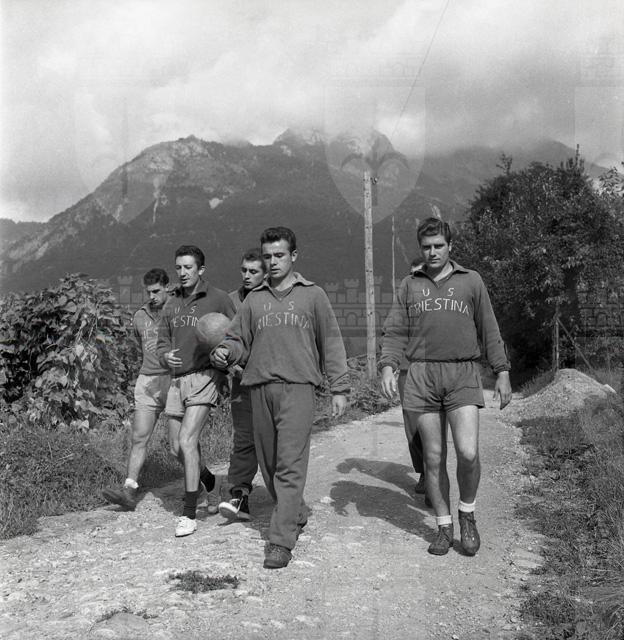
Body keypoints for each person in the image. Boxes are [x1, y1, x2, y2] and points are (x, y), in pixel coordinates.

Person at [211, 226, 349, 569]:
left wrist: (340, 387)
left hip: (299, 388)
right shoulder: (254, 299)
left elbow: (331, 342)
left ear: (293, 256)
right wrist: (226, 351)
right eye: (268, 256)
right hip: (259, 389)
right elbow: (237, 339)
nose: (272, 262)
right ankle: (295, 511)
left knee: (289, 464)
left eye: (279, 255)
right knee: (270, 467)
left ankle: (281, 540)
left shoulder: (313, 295)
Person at [379, 217, 512, 557]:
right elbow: (395, 331)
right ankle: (443, 525)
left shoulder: (471, 281)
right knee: (434, 457)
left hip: (462, 372)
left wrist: (502, 371)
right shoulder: (410, 285)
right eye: (426, 247)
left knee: (467, 452)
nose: (433, 252)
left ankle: (467, 514)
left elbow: (489, 328)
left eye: (439, 245)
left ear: (450, 246)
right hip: (422, 375)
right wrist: (388, 365)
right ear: (420, 249)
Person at [156, 245, 236, 537]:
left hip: (205, 375)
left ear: (200, 269)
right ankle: (209, 481)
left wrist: (226, 359)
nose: (182, 272)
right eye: (178, 267)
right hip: (178, 379)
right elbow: (161, 342)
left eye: (188, 267)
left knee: (187, 440)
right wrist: (165, 356)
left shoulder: (218, 298)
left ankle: (189, 513)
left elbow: (237, 333)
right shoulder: (171, 303)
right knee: (175, 447)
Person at [102, 268, 172, 510]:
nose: (152, 296)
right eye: (149, 292)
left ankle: (202, 486)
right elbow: (137, 344)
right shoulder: (139, 316)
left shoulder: (178, 310)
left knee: (181, 443)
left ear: (167, 287)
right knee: (139, 437)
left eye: (157, 291)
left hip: (173, 379)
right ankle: (129, 491)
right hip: (147, 380)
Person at [218, 248, 267, 521]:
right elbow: (218, 340)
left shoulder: (274, 300)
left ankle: (286, 498)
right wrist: (228, 365)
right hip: (241, 386)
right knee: (244, 440)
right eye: (244, 270)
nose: (247, 276)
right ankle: (239, 495)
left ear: (265, 274)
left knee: (273, 442)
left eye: (253, 271)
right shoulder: (230, 301)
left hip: (271, 383)